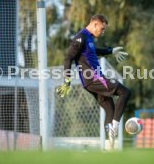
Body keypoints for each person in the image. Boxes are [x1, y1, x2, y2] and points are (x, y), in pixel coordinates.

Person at [56, 14, 131, 149]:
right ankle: (114, 127)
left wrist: (111, 51)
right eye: (102, 29)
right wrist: (67, 80)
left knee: (109, 108)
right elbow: (68, 58)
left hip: (94, 80)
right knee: (125, 92)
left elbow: (93, 51)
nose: (102, 32)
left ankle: (109, 147)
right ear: (95, 24)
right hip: (93, 79)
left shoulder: (89, 38)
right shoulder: (80, 37)